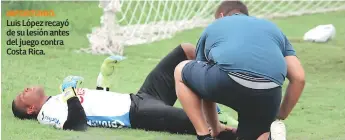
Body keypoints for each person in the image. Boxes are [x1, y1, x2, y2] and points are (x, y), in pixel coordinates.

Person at [11, 44, 237, 139]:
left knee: (185, 50)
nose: (26, 89)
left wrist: (103, 78)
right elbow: (77, 124)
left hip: (141, 97)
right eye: (23, 95)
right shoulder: (45, 114)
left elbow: (96, 104)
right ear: (31, 109)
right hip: (138, 113)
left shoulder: (59, 98)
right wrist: (70, 93)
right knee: (206, 125)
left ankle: (224, 76)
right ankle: (257, 132)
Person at [174, 1, 305, 140]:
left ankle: (203, 135)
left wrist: (215, 127)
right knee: (255, 135)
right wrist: (280, 114)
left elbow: (204, 88)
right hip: (270, 92)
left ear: (222, 15)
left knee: (180, 70)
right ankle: (268, 137)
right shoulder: (274, 29)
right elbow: (299, 78)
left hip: (229, 80)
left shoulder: (216, 25)